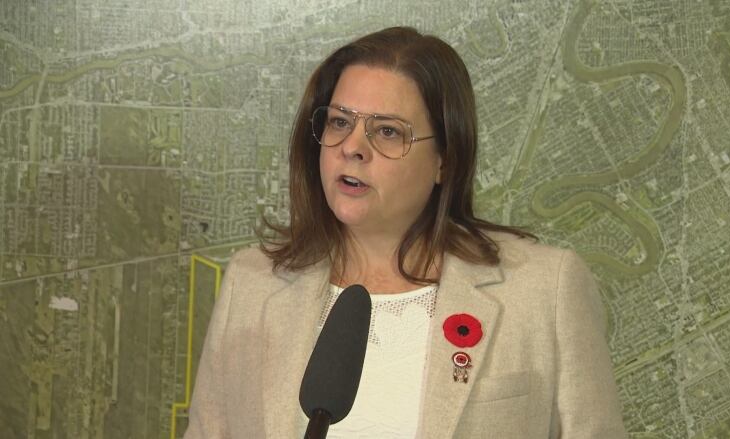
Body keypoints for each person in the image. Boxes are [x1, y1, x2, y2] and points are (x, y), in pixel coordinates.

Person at [184, 27, 627, 438]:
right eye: (340, 122)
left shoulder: (544, 290)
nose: (353, 148)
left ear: (445, 160)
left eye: (387, 131)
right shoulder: (252, 282)